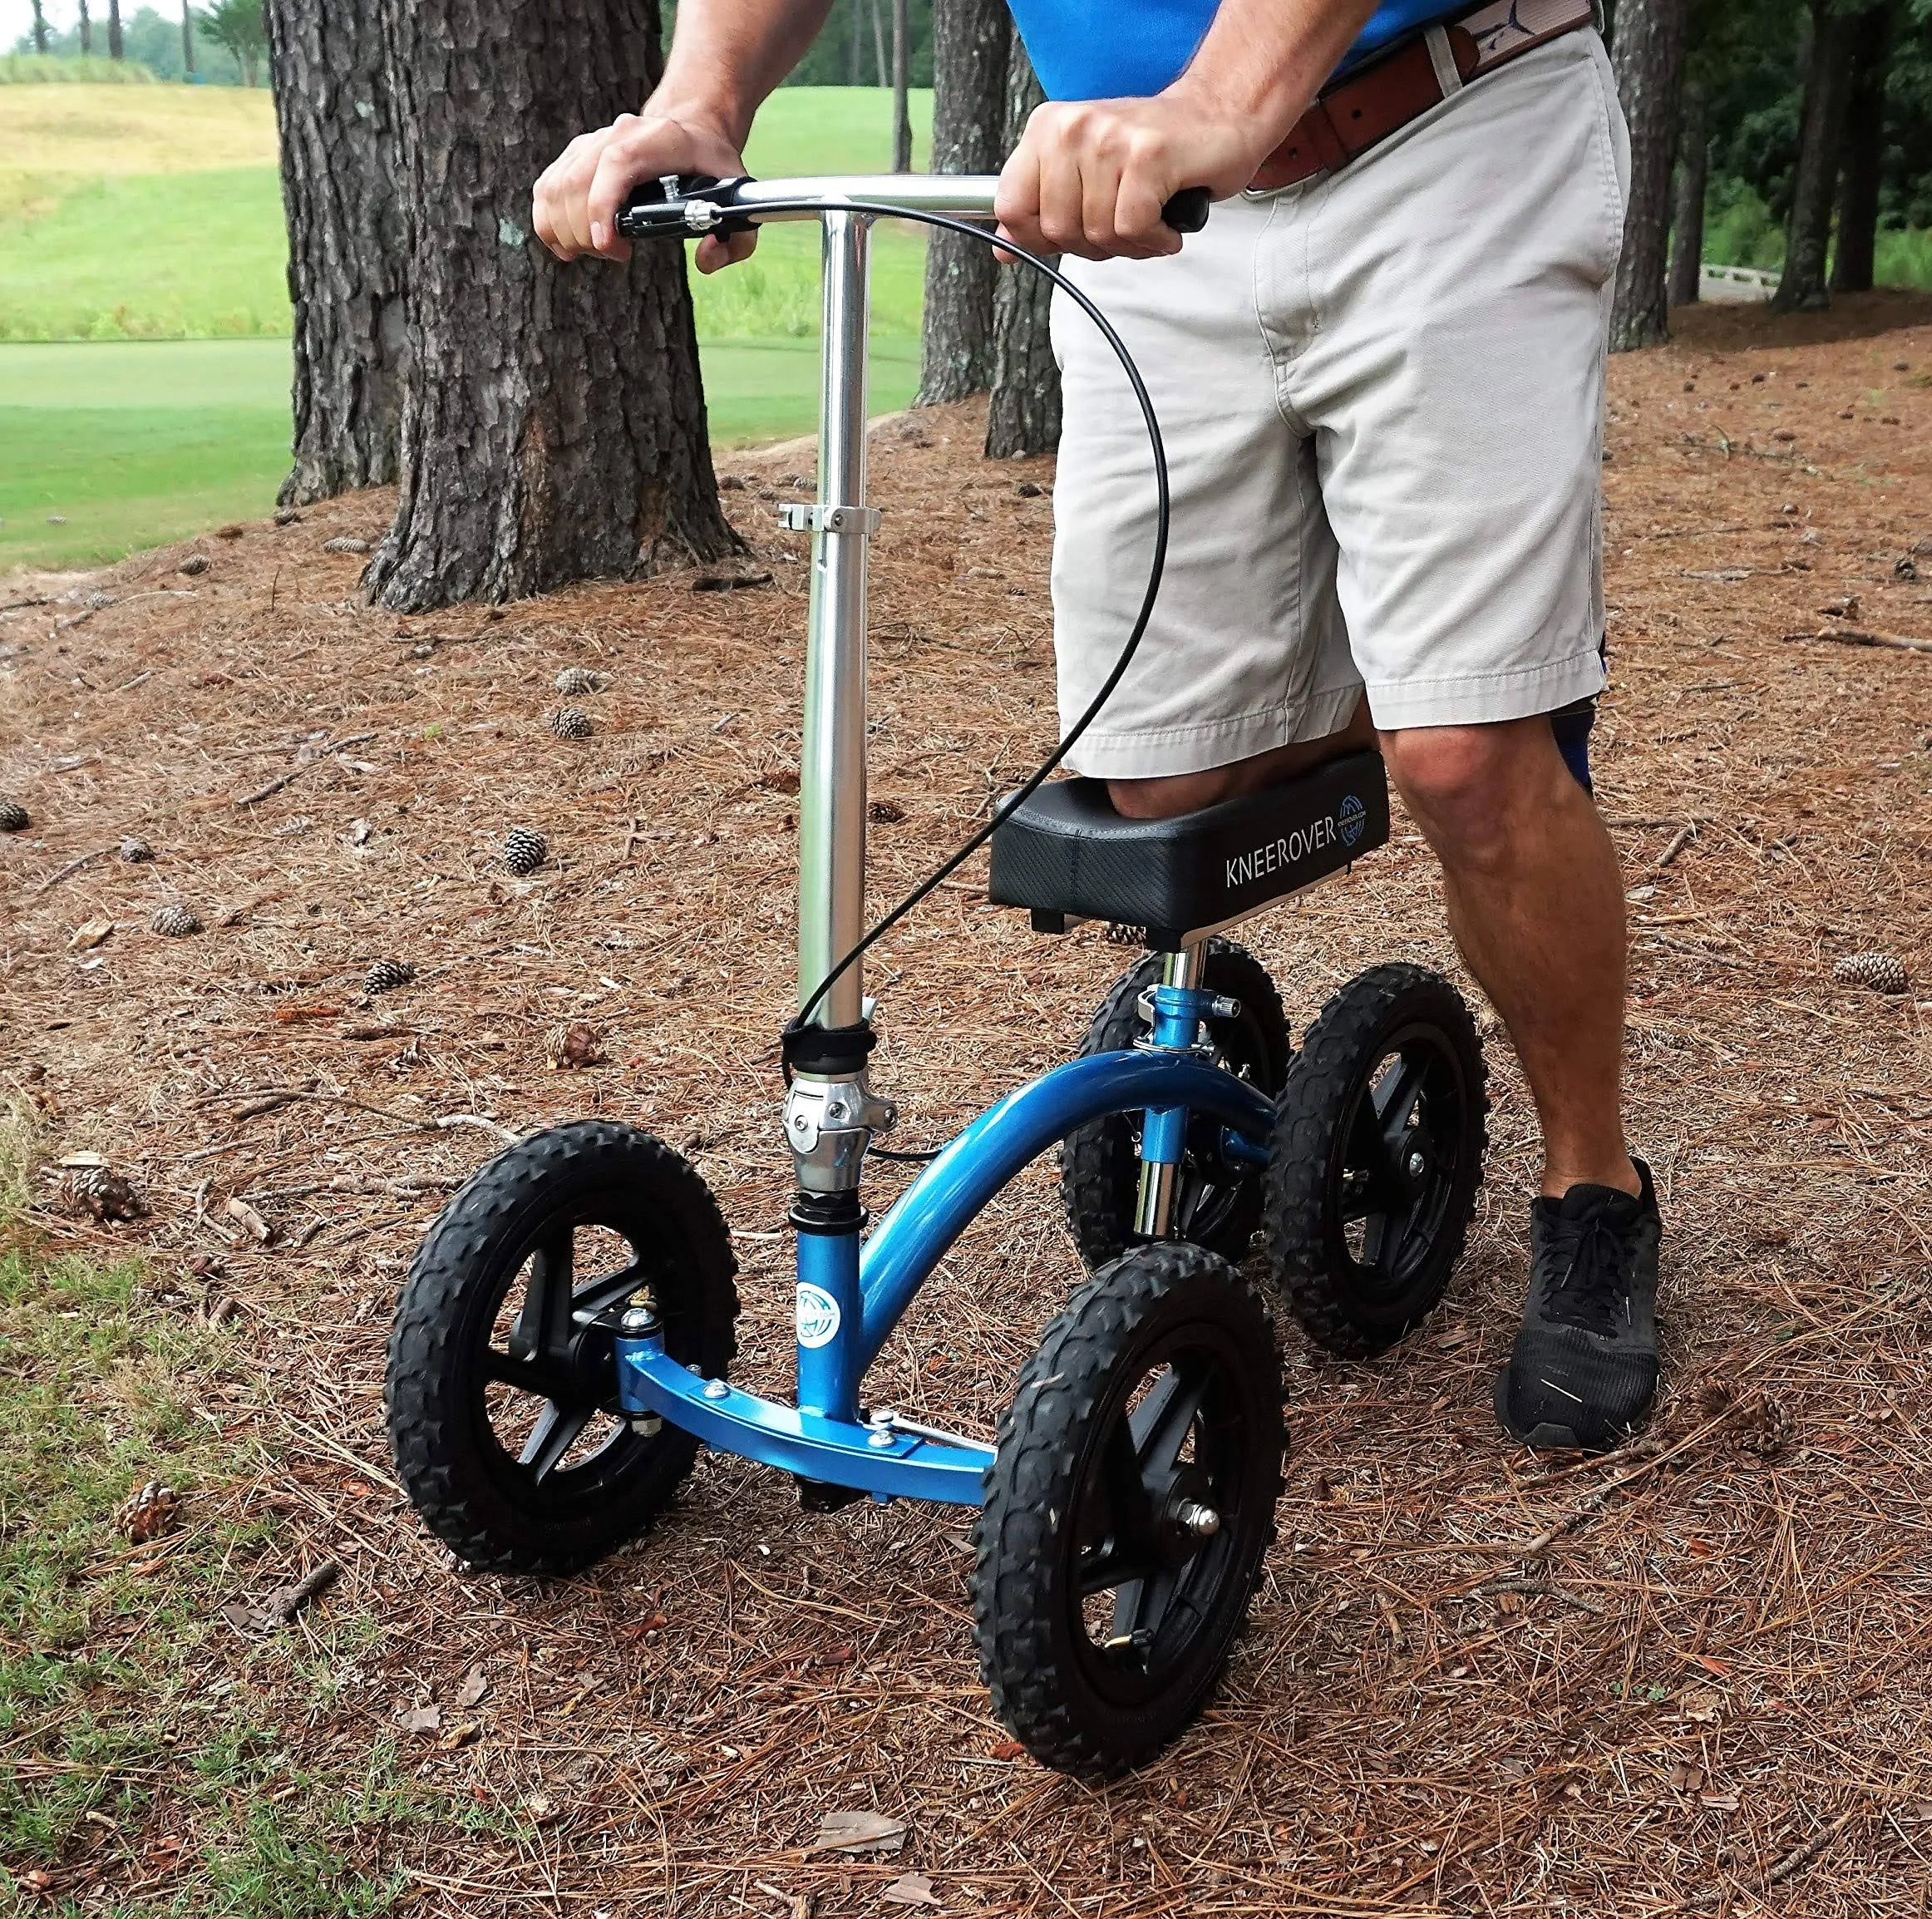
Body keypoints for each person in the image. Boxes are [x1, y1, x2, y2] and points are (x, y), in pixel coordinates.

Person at [533, 0, 1662, 1453]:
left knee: (1465, 754)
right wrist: (702, 100)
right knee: (1159, 779)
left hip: (1443, 134)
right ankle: (1440, 676)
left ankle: (1596, 1187)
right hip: (1150, 213)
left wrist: (1222, 95)